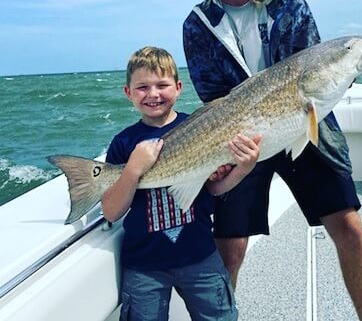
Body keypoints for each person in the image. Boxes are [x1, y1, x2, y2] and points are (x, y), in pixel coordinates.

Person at [183, 0, 362, 321]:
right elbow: (212, 96)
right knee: (230, 246)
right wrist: (231, 150)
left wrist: (346, 71)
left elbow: (317, 71)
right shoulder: (198, 25)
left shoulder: (289, 5)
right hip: (240, 140)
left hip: (304, 126)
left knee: (349, 227)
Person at [101, 46, 262, 321]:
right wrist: (133, 169)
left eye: (162, 85)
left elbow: (214, 188)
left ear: (178, 88)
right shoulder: (123, 143)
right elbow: (112, 212)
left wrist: (243, 168)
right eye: (142, 87)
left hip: (201, 255)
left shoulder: (204, 126)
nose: (153, 94)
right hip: (143, 265)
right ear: (128, 93)